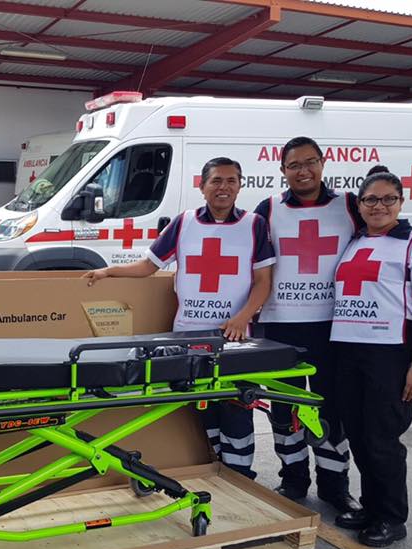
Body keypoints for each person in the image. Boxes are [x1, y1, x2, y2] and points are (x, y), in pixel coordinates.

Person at [84, 157, 275, 477]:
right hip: (188, 336)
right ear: (202, 186)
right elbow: (148, 266)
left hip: (233, 338)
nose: (224, 187)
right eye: (216, 180)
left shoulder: (254, 224)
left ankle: (242, 477)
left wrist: (242, 318)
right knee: (203, 408)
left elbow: (263, 281)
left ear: (240, 186)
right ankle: (219, 470)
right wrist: (109, 271)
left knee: (236, 408)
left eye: (231, 180)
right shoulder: (184, 222)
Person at [330, 166, 412, 547]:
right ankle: (372, 506)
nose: (379, 206)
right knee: (359, 436)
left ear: (401, 202)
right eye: (371, 199)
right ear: (360, 204)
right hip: (348, 351)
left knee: (382, 440)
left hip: (389, 355)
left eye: (388, 199)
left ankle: (392, 518)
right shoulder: (355, 241)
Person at [254, 136, 362, 513]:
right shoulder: (268, 208)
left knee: (330, 408)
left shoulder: (349, 205)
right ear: (282, 170)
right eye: (294, 165)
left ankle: (335, 486)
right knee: (284, 409)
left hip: (332, 328)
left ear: (323, 162)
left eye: (310, 162)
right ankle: (293, 480)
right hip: (280, 327)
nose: (303, 171)